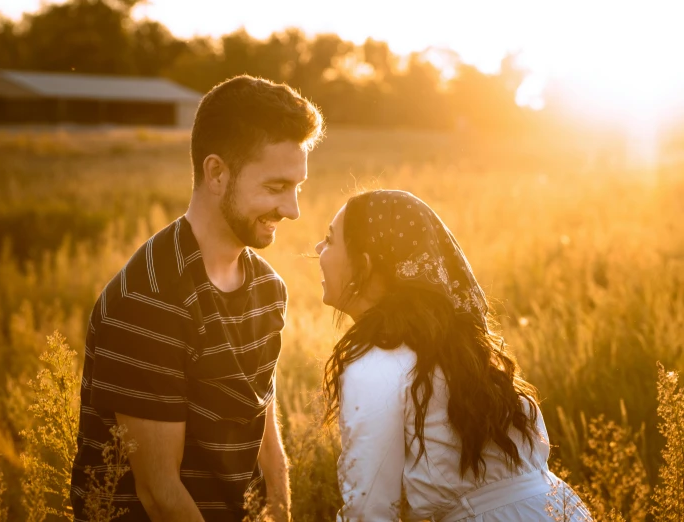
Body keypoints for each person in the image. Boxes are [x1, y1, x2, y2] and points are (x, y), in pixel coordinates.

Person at [70, 75, 324, 522]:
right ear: (216, 173)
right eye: (275, 187)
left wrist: (280, 507)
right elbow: (159, 494)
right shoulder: (150, 299)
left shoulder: (267, 288)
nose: (292, 210)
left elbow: (260, 410)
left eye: (297, 187)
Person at [314, 190, 592, 521]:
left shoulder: (377, 362)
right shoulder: (452, 344)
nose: (318, 249)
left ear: (364, 265)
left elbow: (369, 507)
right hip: (558, 509)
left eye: (330, 241)